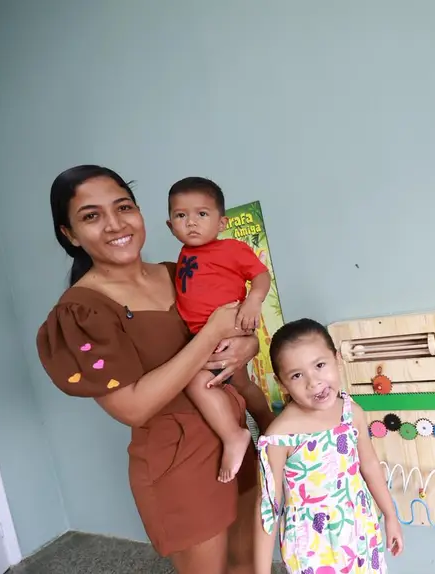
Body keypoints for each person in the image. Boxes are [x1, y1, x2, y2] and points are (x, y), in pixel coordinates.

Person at [35, 165, 275, 574]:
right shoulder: (80, 311)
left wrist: (245, 345)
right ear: (70, 235)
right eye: (91, 216)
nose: (115, 224)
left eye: (123, 207)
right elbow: (133, 407)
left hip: (235, 441)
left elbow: (236, 331)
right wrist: (210, 336)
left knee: (250, 565)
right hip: (177, 464)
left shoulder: (179, 271)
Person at [254, 318, 404, 574]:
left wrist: (390, 515)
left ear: (337, 359)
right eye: (297, 375)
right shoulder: (279, 437)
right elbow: (268, 507)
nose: (313, 382)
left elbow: (369, 464)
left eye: (320, 365)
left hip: (360, 532)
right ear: (281, 383)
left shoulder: (351, 412)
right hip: (313, 548)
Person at [166, 176, 271, 483]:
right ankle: (266, 424)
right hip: (205, 337)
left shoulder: (231, 248)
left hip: (229, 329)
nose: (191, 222)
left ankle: (236, 435)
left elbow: (261, 276)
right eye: (181, 215)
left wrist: (253, 301)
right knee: (240, 384)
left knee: (200, 381)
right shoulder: (183, 256)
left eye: (202, 213)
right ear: (170, 226)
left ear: (222, 222)